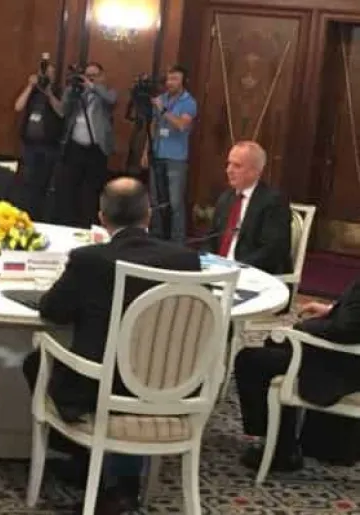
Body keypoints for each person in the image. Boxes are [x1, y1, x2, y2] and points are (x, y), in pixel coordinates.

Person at [21, 177, 201, 512]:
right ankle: (100, 470)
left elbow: (52, 310)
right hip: (171, 388)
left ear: (102, 218)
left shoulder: (90, 260)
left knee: (37, 362)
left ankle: (96, 467)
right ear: (149, 214)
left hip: (103, 388)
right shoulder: (186, 260)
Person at [235, 283, 360, 471]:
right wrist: (330, 310)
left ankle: (280, 449)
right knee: (276, 344)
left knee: (250, 360)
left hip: (339, 366)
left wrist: (303, 328)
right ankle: (285, 440)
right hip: (345, 357)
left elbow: (347, 330)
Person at [206, 141, 291, 275]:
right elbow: (210, 239)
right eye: (228, 164)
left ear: (256, 171)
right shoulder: (226, 198)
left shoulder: (273, 202)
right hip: (219, 271)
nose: (229, 170)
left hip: (254, 273)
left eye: (237, 166)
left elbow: (273, 250)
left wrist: (236, 267)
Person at [54, 62, 117, 228]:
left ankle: (89, 225)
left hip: (96, 149)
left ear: (102, 77)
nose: (90, 78)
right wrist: (72, 90)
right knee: (69, 188)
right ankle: (68, 224)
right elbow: (63, 110)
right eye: (88, 75)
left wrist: (93, 87)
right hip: (75, 147)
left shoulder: (107, 92)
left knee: (91, 191)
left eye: (94, 75)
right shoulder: (77, 92)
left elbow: (111, 100)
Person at [146, 65, 197, 243]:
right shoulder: (161, 99)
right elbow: (153, 125)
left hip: (176, 158)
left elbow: (182, 125)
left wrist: (163, 110)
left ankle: (177, 240)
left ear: (183, 82)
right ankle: (156, 235)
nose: (170, 83)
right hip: (157, 153)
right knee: (155, 199)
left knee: (175, 201)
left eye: (175, 79)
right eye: (168, 79)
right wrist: (146, 151)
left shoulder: (189, 102)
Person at [13, 62, 63, 221]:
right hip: (29, 146)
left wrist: (49, 94)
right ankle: (26, 215)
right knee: (27, 183)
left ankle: (40, 217)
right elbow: (18, 106)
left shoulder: (59, 91)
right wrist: (30, 86)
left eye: (50, 74)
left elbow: (62, 112)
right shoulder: (32, 92)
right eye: (44, 74)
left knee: (44, 184)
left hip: (48, 147)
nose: (46, 77)